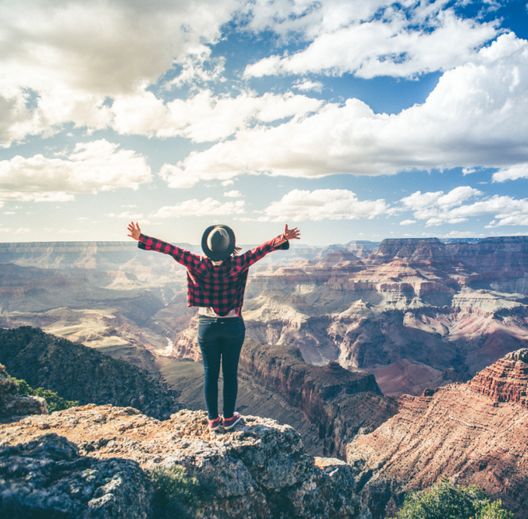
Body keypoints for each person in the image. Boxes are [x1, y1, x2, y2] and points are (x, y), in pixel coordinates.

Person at [127, 221, 301, 432]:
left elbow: (170, 249)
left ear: (207, 246)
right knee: (229, 373)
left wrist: (142, 238)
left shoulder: (196, 262)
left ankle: (212, 420)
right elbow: (260, 251)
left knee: (210, 373)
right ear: (229, 246)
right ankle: (229, 418)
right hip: (233, 326)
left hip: (207, 325)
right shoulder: (238, 264)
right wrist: (282, 239)